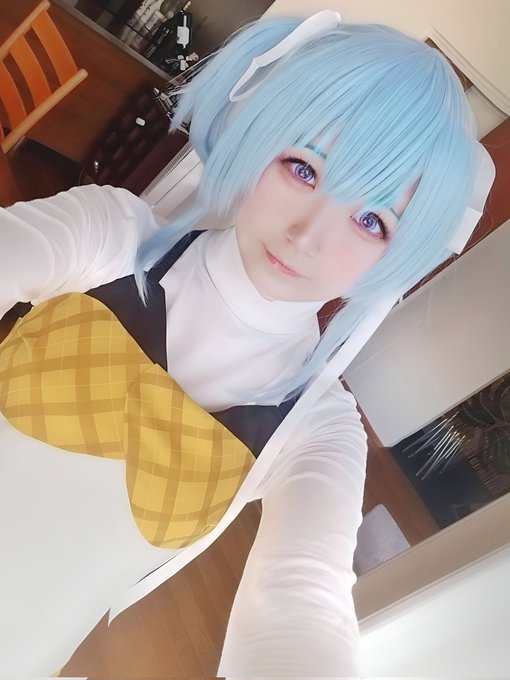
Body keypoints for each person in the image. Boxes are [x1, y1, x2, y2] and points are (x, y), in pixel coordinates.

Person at [0, 11, 494, 677]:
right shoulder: (107, 234)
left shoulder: (317, 429)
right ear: (258, 138)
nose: (307, 237)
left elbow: (302, 603)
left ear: (396, 257)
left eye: (372, 220)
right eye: (303, 169)